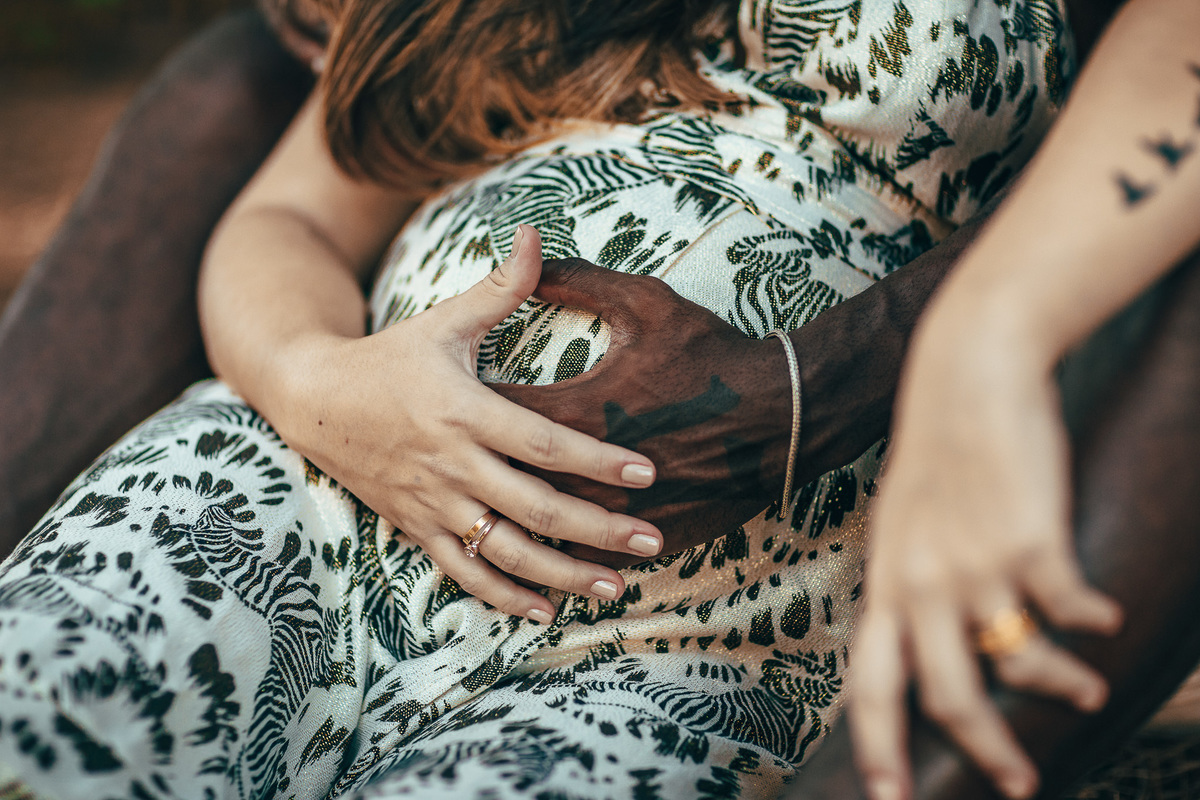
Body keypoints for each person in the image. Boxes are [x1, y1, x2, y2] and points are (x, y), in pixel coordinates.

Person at [0, 1, 1196, 800]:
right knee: (32, 722)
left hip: (705, 636)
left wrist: (945, 347)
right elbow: (297, 210)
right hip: (294, 498)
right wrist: (318, 378)